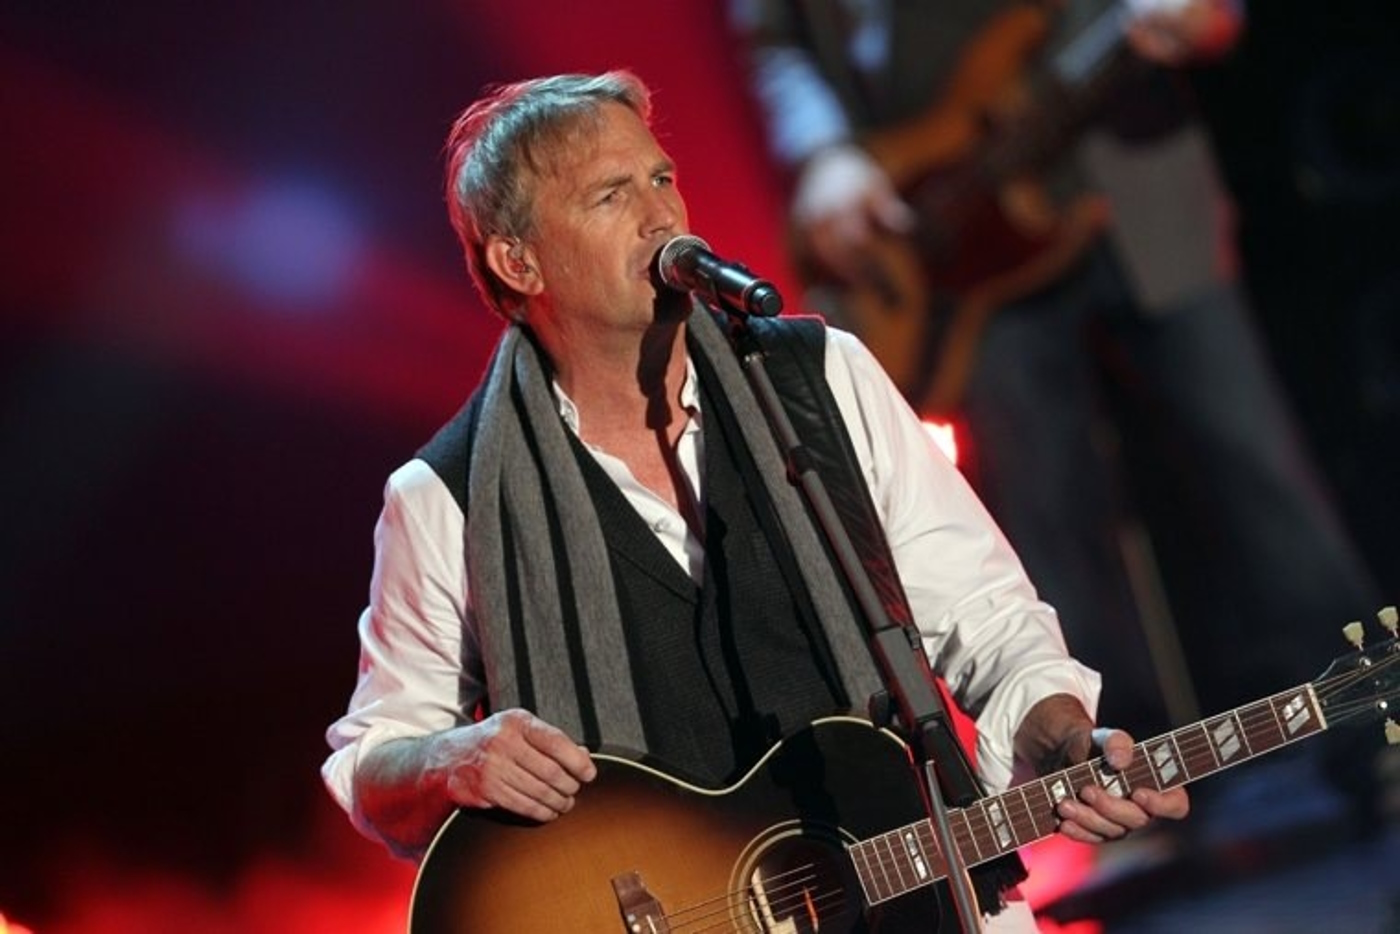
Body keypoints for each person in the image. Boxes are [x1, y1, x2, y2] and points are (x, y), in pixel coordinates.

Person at [321, 70, 1188, 931]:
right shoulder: (445, 498)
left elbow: (986, 619)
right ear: (519, 261)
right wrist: (447, 760)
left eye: (661, 177)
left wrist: (1059, 732)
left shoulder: (820, 380)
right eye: (611, 195)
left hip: (920, 897)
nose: (662, 215)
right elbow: (374, 761)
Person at [730, 0, 1381, 741]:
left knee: (1252, 460)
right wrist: (824, 154)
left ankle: (1368, 712)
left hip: (1130, 168)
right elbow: (774, 39)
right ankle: (1111, 769)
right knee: (1048, 531)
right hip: (951, 217)